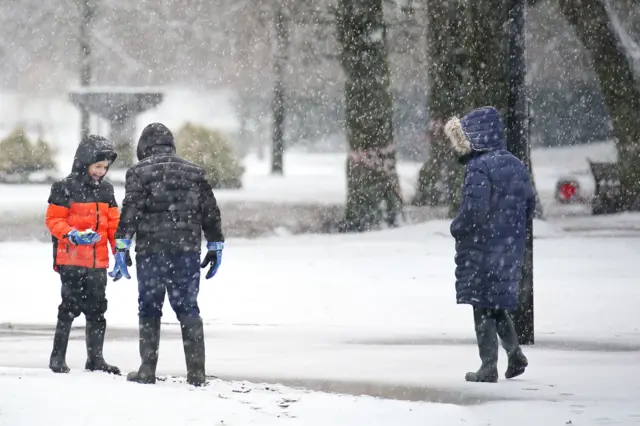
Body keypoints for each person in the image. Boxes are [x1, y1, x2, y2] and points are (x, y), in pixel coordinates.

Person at [109, 122, 224, 387]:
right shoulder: (194, 172)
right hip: (186, 251)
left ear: (143, 147)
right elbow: (210, 210)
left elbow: (131, 209)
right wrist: (215, 243)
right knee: (188, 307)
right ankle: (196, 374)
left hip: (151, 252)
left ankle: (147, 370)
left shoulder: (138, 172)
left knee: (149, 307)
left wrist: (123, 244)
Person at [444, 106, 534, 383]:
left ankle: (488, 366)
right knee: (496, 305)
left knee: (481, 306)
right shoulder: (517, 165)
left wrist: (457, 227)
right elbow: (528, 204)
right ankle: (515, 353)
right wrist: (511, 231)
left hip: (482, 249)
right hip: (509, 247)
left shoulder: (479, 167)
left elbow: (475, 210)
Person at [45, 134, 121, 375]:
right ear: (84, 162)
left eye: (105, 167)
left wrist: (119, 252)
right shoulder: (63, 187)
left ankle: (95, 359)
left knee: (98, 309)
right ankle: (57, 358)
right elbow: (54, 220)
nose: (101, 171)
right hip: (71, 259)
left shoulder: (107, 190)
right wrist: (72, 234)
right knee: (69, 307)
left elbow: (113, 226)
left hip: (98, 263)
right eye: (97, 166)